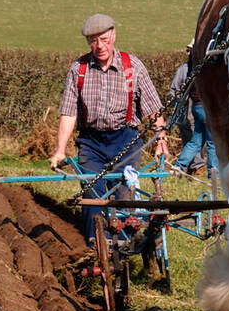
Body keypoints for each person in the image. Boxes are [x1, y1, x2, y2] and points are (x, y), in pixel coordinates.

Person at [50, 13, 167, 248]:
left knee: (125, 189)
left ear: (113, 35)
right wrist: (59, 150)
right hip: (91, 142)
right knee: (92, 190)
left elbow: (153, 109)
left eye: (104, 39)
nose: (99, 46)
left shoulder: (132, 66)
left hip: (126, 139)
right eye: (93, 41)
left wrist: (161, 140)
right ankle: (97, 241)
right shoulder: (78, 69)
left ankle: (124, 239)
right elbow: (69, 113)